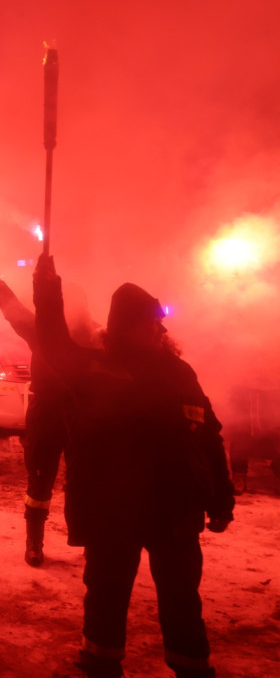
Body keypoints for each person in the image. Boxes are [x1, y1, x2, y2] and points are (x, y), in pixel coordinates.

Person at [33, 254, 234, 678]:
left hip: (174, 510)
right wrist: (47, 291)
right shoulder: (96, 370)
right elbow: (52, 344)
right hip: (114, 511)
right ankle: (101, 664)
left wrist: (221, 499)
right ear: (126, 327)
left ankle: (192, 668)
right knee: (106, 595)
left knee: (182, 601)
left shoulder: (179, 372)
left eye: (160, 323)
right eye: (150, 323)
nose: (160, 330)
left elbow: (208, 436)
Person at [0, 265, 100, 566]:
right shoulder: (43, 333)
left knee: (86, 480)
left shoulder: (98, 337)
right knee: (39, 481)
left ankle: (90, 541)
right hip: (46, 412)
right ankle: (34, 542)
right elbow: (13, 311)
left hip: (82, 415)